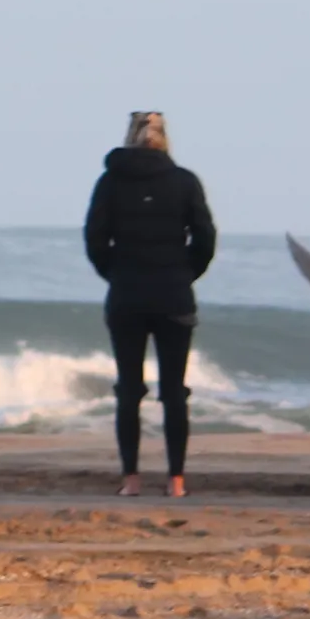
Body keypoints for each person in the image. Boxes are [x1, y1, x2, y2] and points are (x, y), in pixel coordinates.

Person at [83, 111, 216, 497]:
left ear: (129, 136)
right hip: (174, 293)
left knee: (129, 390)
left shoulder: (110, 182)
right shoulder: (184, 181)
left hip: (126, 294)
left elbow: (94, 239)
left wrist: (116, 273)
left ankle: (131, 479)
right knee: (174, 392)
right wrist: (184, 273)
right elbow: (205, 237)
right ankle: (176, 481)